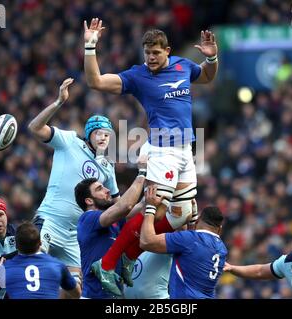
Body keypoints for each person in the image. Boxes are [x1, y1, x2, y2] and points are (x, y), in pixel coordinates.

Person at [83, 17, 217, 281]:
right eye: (147, 53)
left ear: (167, 50)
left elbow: (207, 76)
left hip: (186, 152)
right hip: (162, 151)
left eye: (156, 52)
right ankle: (107, 265)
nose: (151, 58)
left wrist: (212, 59)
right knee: (153, 210)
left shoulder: (183, 66)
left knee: (183, 214)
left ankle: (127, 257)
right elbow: (96, 81)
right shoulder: (138, 76)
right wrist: (90, 47)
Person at [28, 77, 119, 290]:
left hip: (74, 235)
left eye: (107, 134)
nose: (104, 138)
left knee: (76, 291)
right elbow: (34, 128)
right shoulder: (69, 141)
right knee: (32, 270)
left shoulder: (108, 167)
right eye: (99, 133)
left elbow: (117, 203)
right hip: (49, 221)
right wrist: (59, 102)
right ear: (89, 133)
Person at [75, 156, 147, 299]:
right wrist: (142, 172)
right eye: (100, 189)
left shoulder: (114, 221)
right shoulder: (87, 219)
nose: (107, 190)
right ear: (89, 200)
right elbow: (126, 205)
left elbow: (142, 206)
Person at [139, 186, 227, 299]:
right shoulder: (222, 249)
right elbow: (193, 253)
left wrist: (150, 207)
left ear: (199, 221)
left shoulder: (190, 240)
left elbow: (146, 241)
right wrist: (193, 220)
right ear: (219, 229)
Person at [0, 221, 80, 299]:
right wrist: (74, 274)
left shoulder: (6, 268)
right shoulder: (57, 265)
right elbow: (76, 293)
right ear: (40, 243)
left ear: (16, 245)